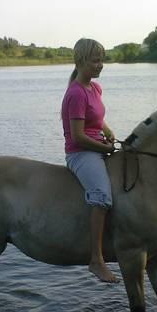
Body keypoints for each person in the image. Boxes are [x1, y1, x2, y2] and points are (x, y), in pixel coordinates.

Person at [61, 38, 118, 283]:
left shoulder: (94, 89)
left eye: (101, 60)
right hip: (81, 153)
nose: (100, 65)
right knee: (102, 195)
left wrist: (106, 130)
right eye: (95, 60)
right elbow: (78, 137)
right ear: (81, 61)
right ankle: (96, 259)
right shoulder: (75, 93)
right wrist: (104, 147)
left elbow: (94, 118)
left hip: (97, 147)